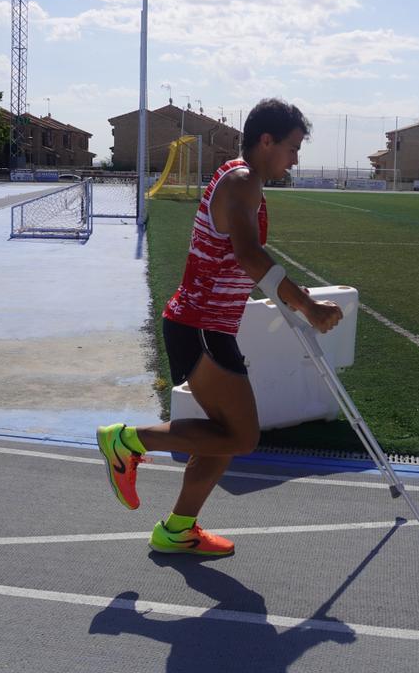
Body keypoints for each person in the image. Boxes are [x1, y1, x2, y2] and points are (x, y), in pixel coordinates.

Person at [97, 98, 343, 557]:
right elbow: (250, 257)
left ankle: (177, 529)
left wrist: (292, 293)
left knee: (224, 438)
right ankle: (127, 440)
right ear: (265, 141)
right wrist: (305, 305)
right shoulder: (244, 182)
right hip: (200, 325)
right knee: (242, 436)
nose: (295, 158)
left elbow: (236, 261)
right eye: (292, 148)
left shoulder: (238, 175)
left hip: (206, 324)